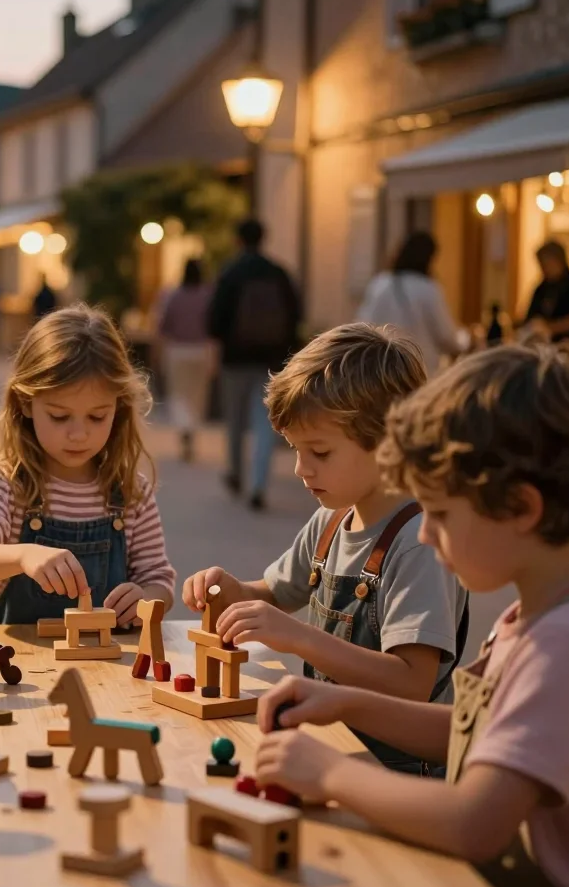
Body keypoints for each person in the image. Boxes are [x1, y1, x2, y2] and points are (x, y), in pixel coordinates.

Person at [254, 342, 569, 887]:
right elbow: (474, 733)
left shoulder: (564, 641)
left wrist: (330, 775)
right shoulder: (535, 615)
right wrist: (344, 701)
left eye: (437, 513)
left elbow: (472, 825)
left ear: (520, 507)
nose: (425, 534)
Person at [182, 323, 468, 773]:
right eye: (295, 449)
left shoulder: (419, 544)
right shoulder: (332, 519)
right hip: (332, 746)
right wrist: (231, 589)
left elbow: (412, 682)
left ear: (389, 443)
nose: (299, 468)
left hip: (400, 772)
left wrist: (299, 637)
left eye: (319, 452)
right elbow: (276, 593)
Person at [0, 304, 176, 627]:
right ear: (26, 403)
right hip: (19, 670)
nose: (78, 434)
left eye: (97, 416)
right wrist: (23, 556)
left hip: (109, 668)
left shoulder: (130, 490)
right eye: (59, 416)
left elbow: (160, 580)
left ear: (119, 407)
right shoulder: (9, 481)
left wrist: (145, 598)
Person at [207, 218, 301, 511]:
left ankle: (236, 472)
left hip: (235, 359)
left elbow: (214, 320)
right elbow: (295, 316)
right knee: (265, 423)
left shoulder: (230, 272)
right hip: (271, 360)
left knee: (235, 420)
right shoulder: (279, 273)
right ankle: (259, 484)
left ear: (238, 239)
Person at [358, 231, 464, 375]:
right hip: (418, 369)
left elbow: (363, 325)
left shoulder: (380, 284)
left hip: (380, 369)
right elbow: (446, 336)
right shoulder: (428, 288)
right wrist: (464, 342)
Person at [157, 258, 215, 462]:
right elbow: (214, 327)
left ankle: (185, 429)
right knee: (197, 395)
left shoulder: (173, 295)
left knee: (179, 393)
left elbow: (162, 325)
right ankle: (191, 429)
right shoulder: (208, 296)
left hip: (178, 350)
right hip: (201, 349)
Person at [522, 239, 569, 342]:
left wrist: (552, 328)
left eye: (547, 263)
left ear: (559, 261)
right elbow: (531, 317)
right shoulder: (541, 289)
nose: (544, 269)